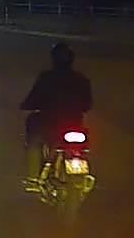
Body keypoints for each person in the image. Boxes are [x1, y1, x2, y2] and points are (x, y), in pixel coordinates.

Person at [20, 42, 93, 178]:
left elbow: (32, 99)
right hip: (74, 125)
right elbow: (88, 105)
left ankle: (33, 176)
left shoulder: (46, 78)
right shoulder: (81, 79)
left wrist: (25, 105)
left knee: (33, 136)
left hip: (48, 123)